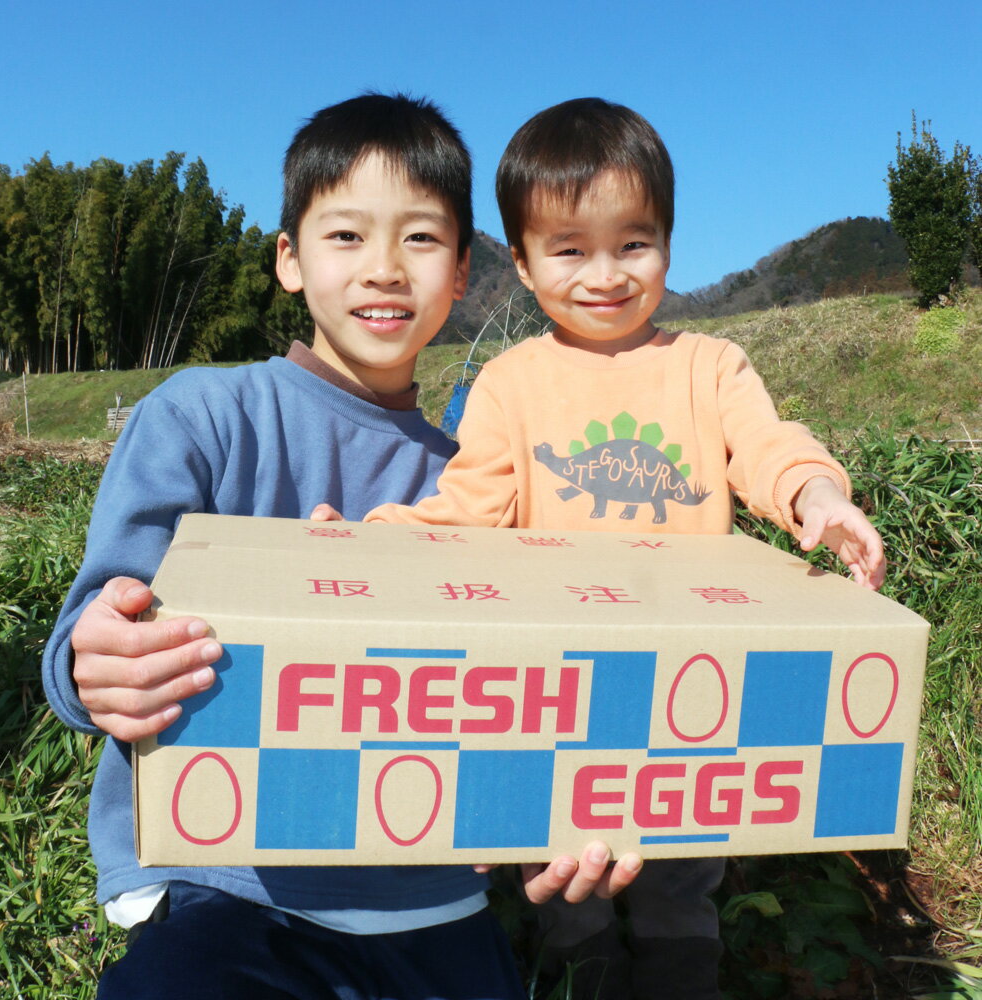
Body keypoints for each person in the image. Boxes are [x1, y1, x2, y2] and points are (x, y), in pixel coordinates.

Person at [318, 97, 885, 1000]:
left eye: (634, 242)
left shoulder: (710, 366)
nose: (606, 274)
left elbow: (765, 445)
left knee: (679, 863)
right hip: (561, 679)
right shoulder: (509, 384)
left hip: (686, 671)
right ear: (523, 260)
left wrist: (817, 495)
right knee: (567, 855)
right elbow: (467, 509)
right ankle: (582, 961)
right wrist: (370, 544)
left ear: (667, 240)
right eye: (570, 249)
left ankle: (681, 965)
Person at [42, 92, 536, 1000]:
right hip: (225, 884)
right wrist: (92, 665)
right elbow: (101, 616)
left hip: (432, 899)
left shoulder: (483, 478)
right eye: (346, 236)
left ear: (465, 271)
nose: (385, 268)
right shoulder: (205, 417)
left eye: (421, 240)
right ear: (289, 261)